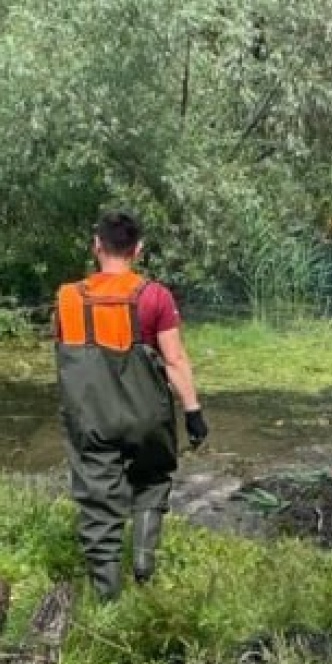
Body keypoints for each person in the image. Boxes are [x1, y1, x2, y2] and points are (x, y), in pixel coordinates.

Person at [53, 210, 208, 599]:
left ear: (96, 247)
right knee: (153, 479)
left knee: (99, 502)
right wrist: (193, 412)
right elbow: (174, 360)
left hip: (91, 418)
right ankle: (142, 566)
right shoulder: (154, 296)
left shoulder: (67, 299)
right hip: (146, 416)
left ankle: (107, 597)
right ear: (138, 249)